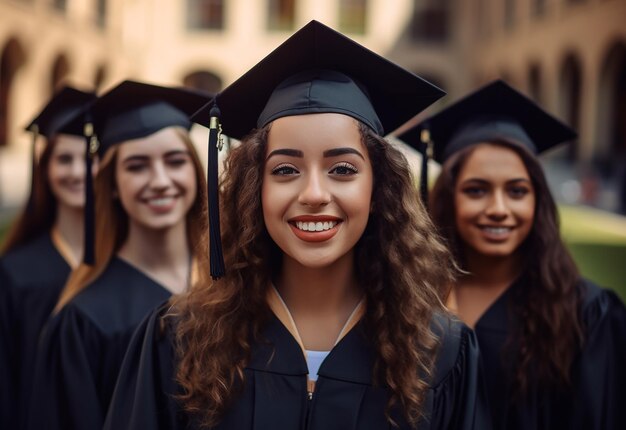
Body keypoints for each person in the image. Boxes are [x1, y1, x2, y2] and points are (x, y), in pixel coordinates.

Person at [104, 21, 491, 430]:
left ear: (380, 188)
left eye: (342, 169)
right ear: (255, 188)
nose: (313, 193)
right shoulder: (181, 338)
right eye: (285, 169)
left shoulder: (440, 351)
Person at [401, 80, 626, 429]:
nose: (499, 209)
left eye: (517, 191)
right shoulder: (412, 300)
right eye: (477, 190)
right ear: (448, 199)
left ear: (538, 201)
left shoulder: (586, 316)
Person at [25, 80, 212, 430]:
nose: (159, 180)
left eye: (175, 161)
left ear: (196, 172)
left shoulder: (230, 288)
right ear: (110, 183)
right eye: (137, 166)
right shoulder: (83, 320)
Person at [0, 86, 95, 429]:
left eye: (89, 158)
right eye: (64, 159)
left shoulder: (123, 264)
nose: (77, 171)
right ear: (45, 169)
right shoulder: (15, 273)